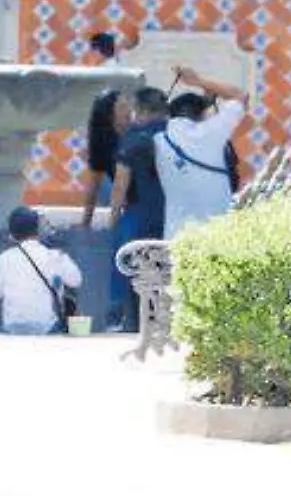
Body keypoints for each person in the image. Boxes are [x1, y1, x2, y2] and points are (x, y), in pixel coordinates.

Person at [155, 66, 249, 239]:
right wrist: (197, 81)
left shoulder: (158, 140)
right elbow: (240, 96)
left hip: (176, 237)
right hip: (217, 235)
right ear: (203, 114)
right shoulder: (212, 132)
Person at [105, 86, 170, 331]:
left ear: (140, 110)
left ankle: (124, 317)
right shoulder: (176, 132)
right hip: (171, 211)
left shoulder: (133, 138)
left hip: (140, 213)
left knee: (127, 262)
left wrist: (112, 220)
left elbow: (120, 186)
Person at [0, 206, 83, 335]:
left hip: (13, 324)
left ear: (12, 234)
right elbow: (76, 281)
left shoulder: (3, 258)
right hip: (45, 325)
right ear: (37, 230)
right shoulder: (54, 256)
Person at [78, 88, 131, 228]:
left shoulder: (138, 136)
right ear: (109, 115)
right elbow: (93, 189)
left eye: (128, 106)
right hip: (130, 206)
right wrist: (85, 224)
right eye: (122, 107)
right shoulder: (103, 145)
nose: (129, 112)